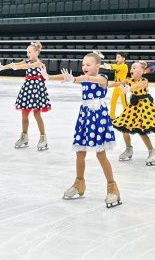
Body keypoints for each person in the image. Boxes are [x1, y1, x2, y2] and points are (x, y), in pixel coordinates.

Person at [47, 51, 121, 208]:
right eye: (83, 64)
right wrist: (49, 77)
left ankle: (112, 187)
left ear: (97, 65)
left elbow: (86, 79)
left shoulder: (102, 79)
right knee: (80, 152)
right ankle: (79, 183)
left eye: (88, 64)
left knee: (101, 154)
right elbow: (75, 79)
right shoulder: (84, 78)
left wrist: (74, 79)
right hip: (85, 116)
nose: (84, 67)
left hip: (98, 118)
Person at [112, 61, 155, 166]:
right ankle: (128, 149)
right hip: (133, 107)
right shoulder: (129, 80)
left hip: (144, 107)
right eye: (132, 67)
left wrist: (129, 89)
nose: (132, 69)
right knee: (124, 127)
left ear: (142, 71)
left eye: (135, 68)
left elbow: (137, 86)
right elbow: (117, 83)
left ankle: (152, 152)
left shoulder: (144, 80)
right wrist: (103, 83)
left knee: (142, 130)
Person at [0, 41, 51, 151]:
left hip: (37, 89)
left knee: (37, 114)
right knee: (24, 114)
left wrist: (17, 67)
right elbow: (17, 64)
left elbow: (26, 66)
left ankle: (43, 138)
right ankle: (24, 137)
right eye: (27, 52)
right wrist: (4, 67)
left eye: (30, 52)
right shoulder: (27, 60)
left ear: (36, 52)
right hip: (27, 88)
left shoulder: (39, 63)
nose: (28, 54)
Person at [100, 52, 128, 119]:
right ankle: (112, 116)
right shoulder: (118, 65)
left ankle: (129, 116)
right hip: (116, 86)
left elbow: (115, 66)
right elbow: (114, 66)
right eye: (116, 57)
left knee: (124, 103)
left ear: (123, 59)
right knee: (113, 101)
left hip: (122, 87)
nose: (117, 59)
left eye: (119, 57)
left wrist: (105, 66)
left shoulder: (124, 66)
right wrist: (102, 65)